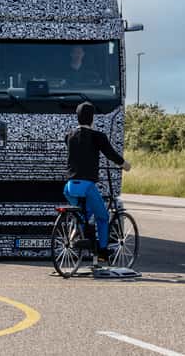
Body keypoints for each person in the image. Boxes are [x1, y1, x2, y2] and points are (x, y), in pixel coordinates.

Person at [64, 102, 131, 261]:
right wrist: (125, 165)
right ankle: (102, 251)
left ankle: (81, 237)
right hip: (87, 186)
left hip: (69, 187)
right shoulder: (98, 137)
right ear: (92, 118)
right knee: (102, 217)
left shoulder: (69, 136)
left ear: (77, 117)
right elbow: (111, 154)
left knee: (83, 213)